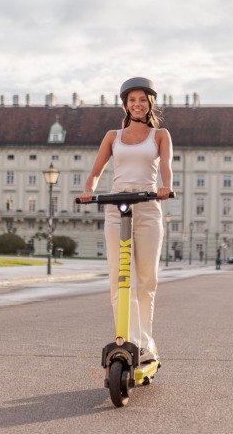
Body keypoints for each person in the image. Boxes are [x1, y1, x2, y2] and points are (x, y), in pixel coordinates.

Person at [78, 77, 173, 364]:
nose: (137, 104)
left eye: (142, 99)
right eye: (132, 100)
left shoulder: (160, 135)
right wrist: (88, 191)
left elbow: (166, 167)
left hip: (147, 206)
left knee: (146, 280)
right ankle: (128, 338)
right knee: (120, 279)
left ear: (150, 103)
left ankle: (145, 343)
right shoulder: (112, 136)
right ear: (125, 105)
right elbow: (96, 170)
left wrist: (165, 187)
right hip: (116, 208)